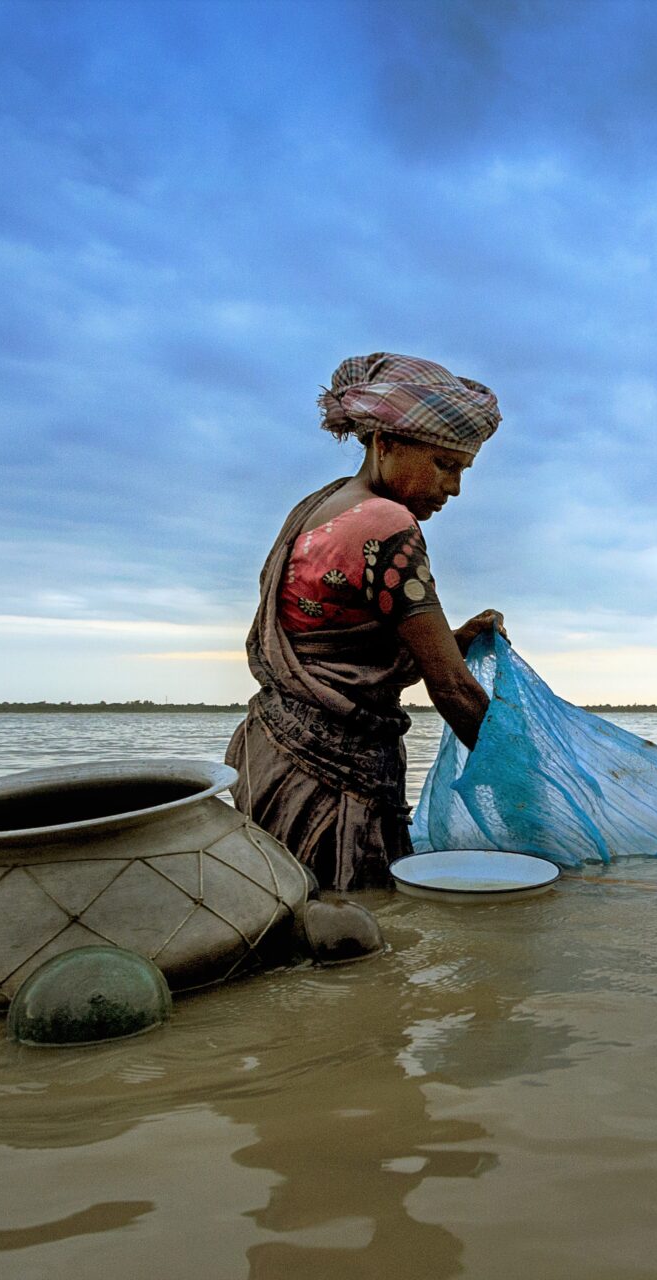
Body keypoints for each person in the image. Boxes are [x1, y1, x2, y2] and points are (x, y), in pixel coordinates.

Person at [227, 353, 507, 891]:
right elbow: (450, 687)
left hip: (271, 760)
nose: (453, 489)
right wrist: (525, 782)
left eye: (462, 471)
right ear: (386, 444)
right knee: (357, 922)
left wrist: (456, 640)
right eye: (444, 465)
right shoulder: (387, 523)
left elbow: (340, 650)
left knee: (295, 923)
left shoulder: (321, 506)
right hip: (334, 783)